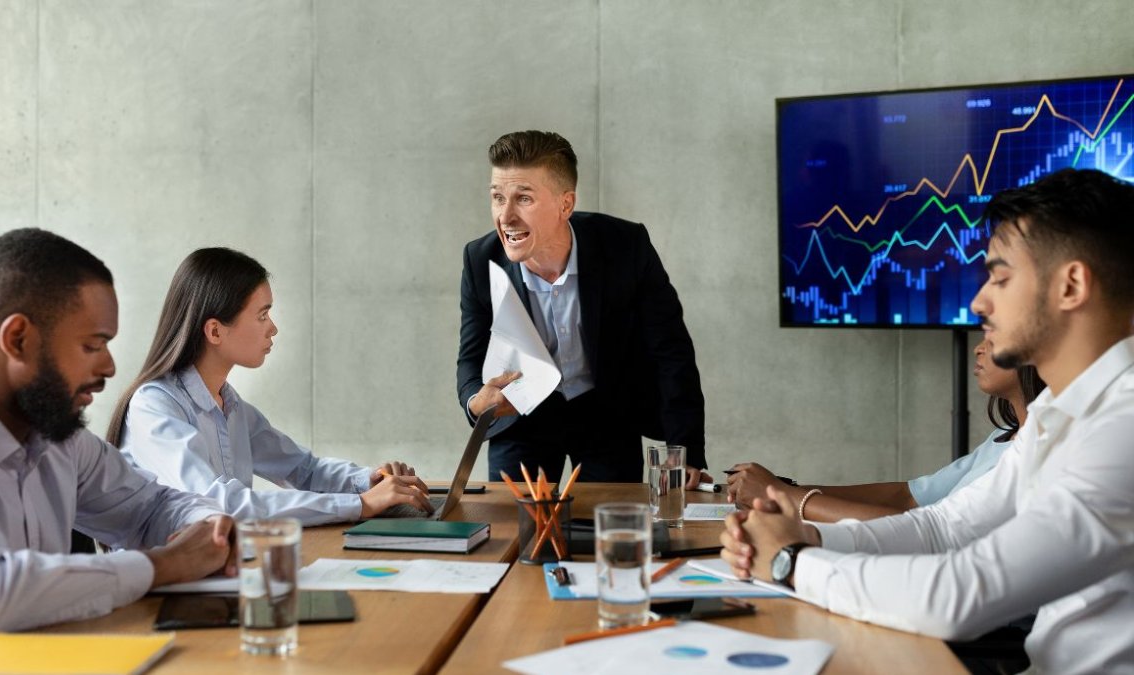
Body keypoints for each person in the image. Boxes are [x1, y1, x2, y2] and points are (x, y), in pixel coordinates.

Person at [721, 168, 1134, 674]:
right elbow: (944, 527)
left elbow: (963, 594)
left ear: (1071, 285)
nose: (980, 302)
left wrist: (790, 562)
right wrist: (810, 539)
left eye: (1000, 278)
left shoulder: (1123, 428)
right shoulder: (1060, 411)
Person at [0, 229, 237, 644]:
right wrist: (163, 566)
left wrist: (206, 527)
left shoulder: (58, 437)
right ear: (17, 339)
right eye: (94, 345)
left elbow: (152, 506)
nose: (111, 368)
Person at [457, 130, 709, 485]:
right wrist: (475, 403)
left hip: (606, 411)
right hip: (522, 418)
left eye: (523, 198)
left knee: (609, 532)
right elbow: (470, 357)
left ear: (565, 205)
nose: (506, 216)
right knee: (515, 534)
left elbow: (671, 353)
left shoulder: (626, 246)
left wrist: (685, 450)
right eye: (498, 198)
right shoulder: (480, 259)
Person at [109, 248, 432, 525]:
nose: (273, 328)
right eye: (262, 316)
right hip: (161, 587)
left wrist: (371, 480)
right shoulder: (154, 407)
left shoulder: (231, 406)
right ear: (215, 331)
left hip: (217, 571)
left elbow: (303, 470)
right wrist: (361, 504)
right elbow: (220, 506)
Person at [726, 337, 1045, 522]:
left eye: (993, 331)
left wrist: (787, 499)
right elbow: (908, 496)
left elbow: (932, 534)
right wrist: (780, 491)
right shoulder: (1003, 437)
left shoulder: (1040, 452)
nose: (978, 347)